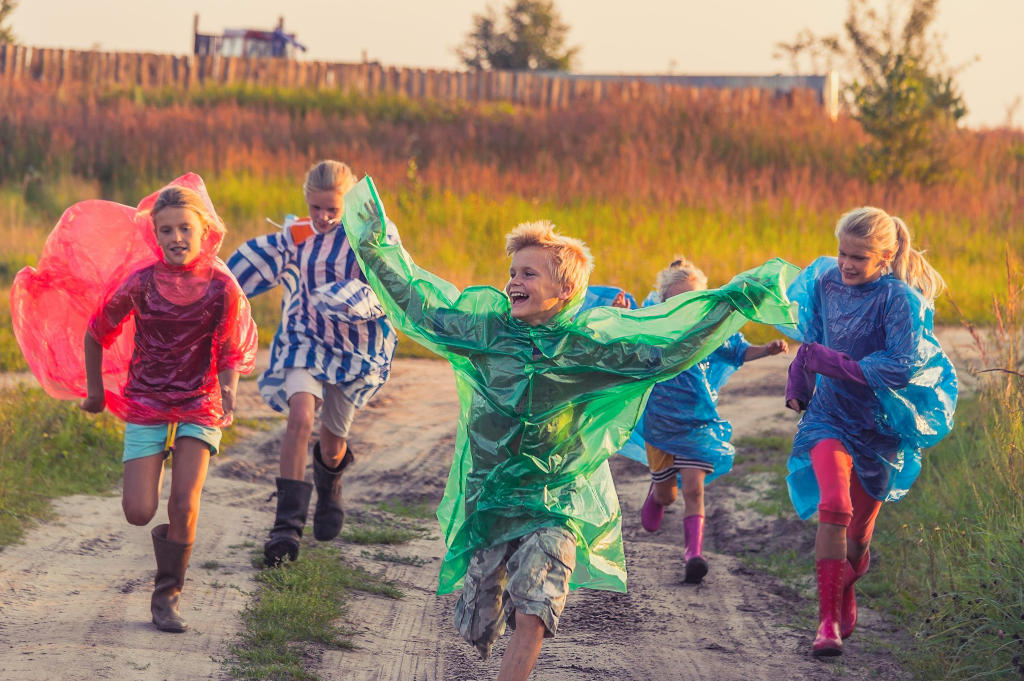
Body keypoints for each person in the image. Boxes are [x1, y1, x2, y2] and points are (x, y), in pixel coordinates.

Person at [341, 176, 798, 681]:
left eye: (529, 274)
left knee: (536, 608)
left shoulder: (586, 349)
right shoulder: (488, 331)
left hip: (557, 499)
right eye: (512, 271)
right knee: (476, 623)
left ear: (564, 290)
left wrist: (735, 302)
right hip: (491, 496)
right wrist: (375, 243)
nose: (514, 281)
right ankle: (491, 595)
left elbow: (663, 349)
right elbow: (419, 304)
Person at [74, 183, 258, 632]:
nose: (177, 238)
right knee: (139, 510)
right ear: (155, 235)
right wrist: (96, 393)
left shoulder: (221, 289)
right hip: (147, 399)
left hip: (200, 401)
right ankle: (166, 558)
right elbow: (96, 331)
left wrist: (229, 388)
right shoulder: (140, 283)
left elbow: (231, 351)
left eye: (185, 229)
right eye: (167, 230)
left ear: (205, 230)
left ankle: (167, 595)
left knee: (184, 502)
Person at [781, 207, 957, 657]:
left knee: (858, 538)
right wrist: (799, 386)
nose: (846, 263)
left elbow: (900, 367)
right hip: (827, 416)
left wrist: (838, 365)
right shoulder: (826, 283)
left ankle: (847, 583)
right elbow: (812, 342)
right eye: (842, 253)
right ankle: (825, 625)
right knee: (834, 507)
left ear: (885, 256)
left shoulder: (899, 300)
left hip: (880, 425)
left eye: (858, 257)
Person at [227, 160, 397, 567]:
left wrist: (350, 298)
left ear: (347, 205)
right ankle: (285, 528)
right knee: (300, 416)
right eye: (315, 207)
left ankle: (330, 483)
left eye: (331, 210)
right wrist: (213, 290)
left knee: (332, 441)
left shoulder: (367, 239)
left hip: (352, 348)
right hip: (304, 338)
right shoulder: (297, 237)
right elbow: (245, 270)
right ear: (307, 200)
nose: (322, 217)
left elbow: (390, 287)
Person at [636, 257, 788, 584]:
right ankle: (657, 495)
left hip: (698, 424)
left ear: (703, 300)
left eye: (692, 300)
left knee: (694, 491)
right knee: (669, 496)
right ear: (663, 301)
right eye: (676, 301)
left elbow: (738, 351)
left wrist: (767, 350)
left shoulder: (712, 329)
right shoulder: (651, 327)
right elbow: (621, 339)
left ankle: (694, 555)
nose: (685, 308)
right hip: (660, 427)